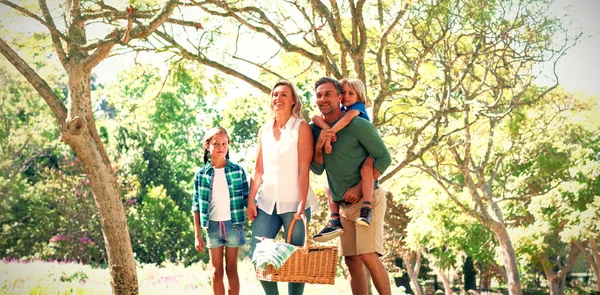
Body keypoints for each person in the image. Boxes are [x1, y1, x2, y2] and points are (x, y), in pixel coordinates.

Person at [310, 77, 392, 295]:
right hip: (343, 208)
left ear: (339, 97)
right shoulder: (315, 129)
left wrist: (357, 189)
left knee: (368, 255)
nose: (323, 99)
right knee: (352, 261)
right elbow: (317, 169)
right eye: (319, 95)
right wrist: (319, 146)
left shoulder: (358, 124)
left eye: (328, 94)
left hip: (368, 199)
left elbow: (384, 158)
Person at [246, 80, 319, 295]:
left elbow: (304, 168)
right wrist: (251, 200)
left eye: (284, 95)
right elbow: (258, 169)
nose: (278, 98)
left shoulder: (301, 127)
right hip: (267, 202)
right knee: (258, 256)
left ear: (293, 101)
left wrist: (301, 204)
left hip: (295, 202)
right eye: (275, 94)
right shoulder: (265, 130)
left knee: (296, 262)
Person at [311, 78, 375, 243]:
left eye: (350, 93)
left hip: (370, 154)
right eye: (344, 92)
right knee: (328, 186)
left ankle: (366, 207)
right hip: (344, 202)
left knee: (366, 171)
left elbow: (345, 122)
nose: (346, 96)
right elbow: (315, 117)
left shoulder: (356, 111)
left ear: (359, 96)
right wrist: (324, 134)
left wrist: (330, 133)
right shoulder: (339, 113)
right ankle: (334, 219)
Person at [192, 126, 249, 295]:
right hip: (213, 227)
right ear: (207, 146)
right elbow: (195, 205)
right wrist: (197, 235)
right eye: (216, 143)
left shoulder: (237, 171)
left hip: (234, 225)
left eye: (224, 143)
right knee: (216, 272)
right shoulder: (201, 175)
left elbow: (247, 198)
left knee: (232, 269)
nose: (221, 147)